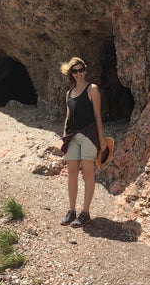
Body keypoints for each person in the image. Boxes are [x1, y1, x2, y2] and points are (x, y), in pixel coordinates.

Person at [59, 57, 107, 228]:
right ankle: (71, 211)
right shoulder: (68, 93)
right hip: (72, 136)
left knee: (88, 174)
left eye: (81, 70)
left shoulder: (92, 89)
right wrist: (64, 136)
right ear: (71, 74)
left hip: (88, 135)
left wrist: (101, 139)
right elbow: (67, 116)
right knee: (71, 172)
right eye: (75, 71)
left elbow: (97, 116)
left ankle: (85, 213)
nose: (78, 74)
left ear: (85, 71)